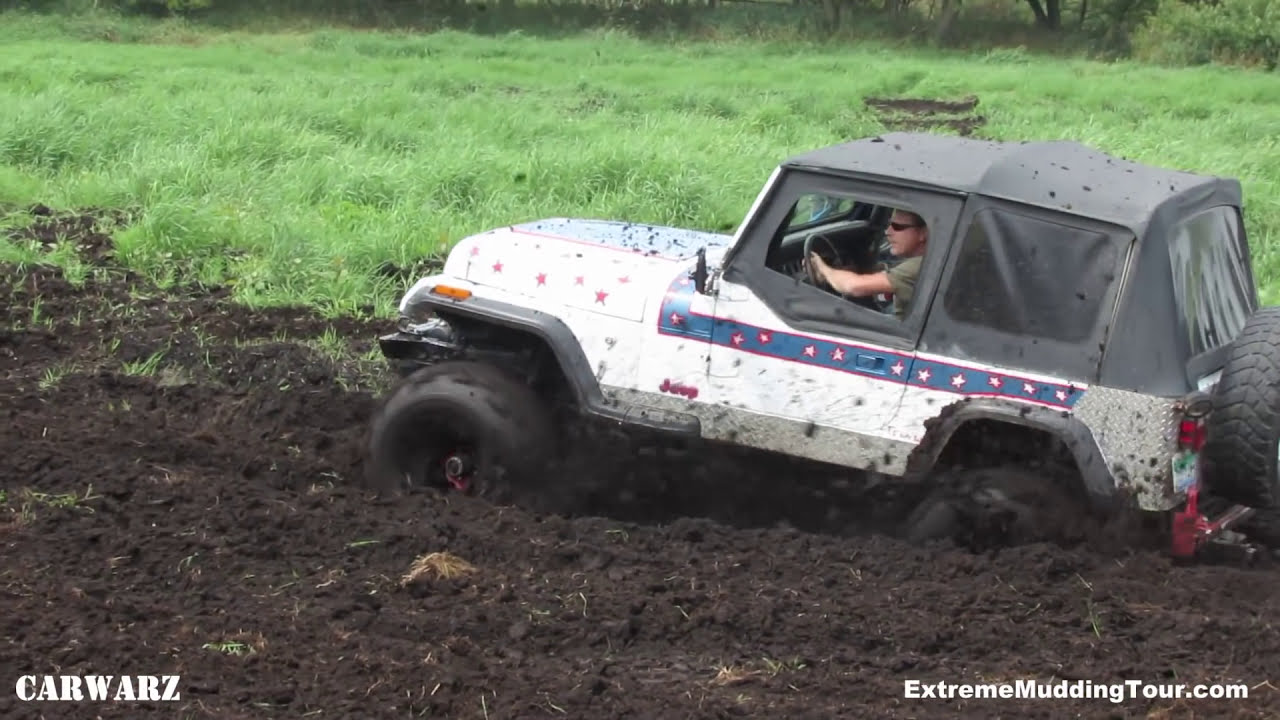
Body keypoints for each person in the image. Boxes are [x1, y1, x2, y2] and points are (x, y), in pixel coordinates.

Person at [807, 208, 928, 319]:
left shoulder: (919, 266)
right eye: (889, 224)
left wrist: (823, 270)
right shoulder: (925, 260)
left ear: (923, 233)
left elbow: (854, 286)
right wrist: (845, 272)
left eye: (897, 226)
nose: (888, 232)